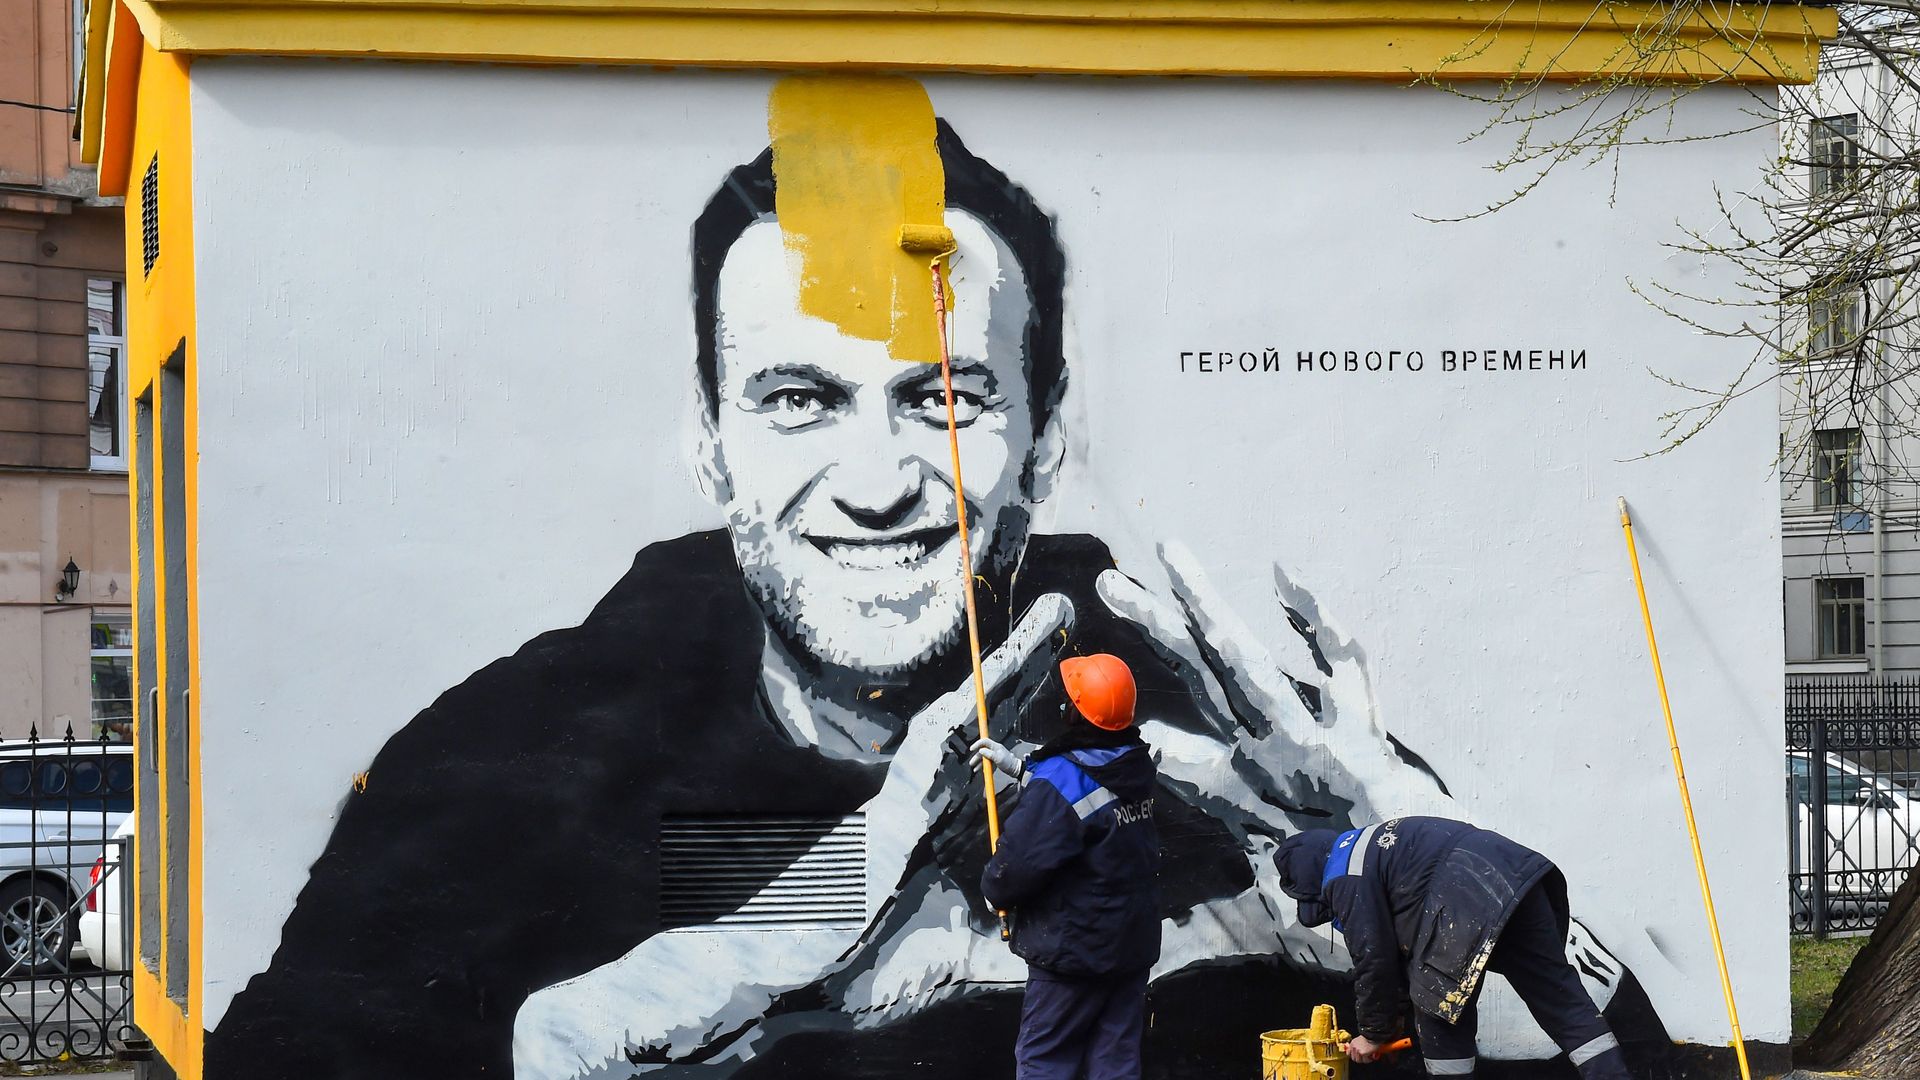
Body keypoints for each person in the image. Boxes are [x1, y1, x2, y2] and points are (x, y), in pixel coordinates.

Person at [207, 84, 1672, 1080]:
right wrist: (785, 919)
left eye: (948, 397)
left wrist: (1406, 851)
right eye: (796, 399)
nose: (877, 479)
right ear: (708, 449)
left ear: (1047, 434)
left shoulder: (1237, 737)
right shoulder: (518, 754)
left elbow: (1622, 1039)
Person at [1272, 818, 1632, 1080]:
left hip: (1460, 891)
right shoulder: (1380, 850)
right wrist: (1394, 1022)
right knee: (1561, 1001)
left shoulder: (1342, 874)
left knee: (1438, 1011)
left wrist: (1374, 1033)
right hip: (1519, 878)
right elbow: (1397, 952)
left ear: (1308, 876)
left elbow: (1374, 957)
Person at [974, 654, 1160, 1080]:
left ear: (1077, 711)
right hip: (1129, 948)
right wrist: (1024, 772)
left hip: (1073, 955)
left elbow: (1016, 866)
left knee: (1046, 1063)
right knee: (1114, 1066)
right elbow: (1093, 808)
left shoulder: (1060, 779)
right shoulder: (1135, 763)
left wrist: (993, 889)